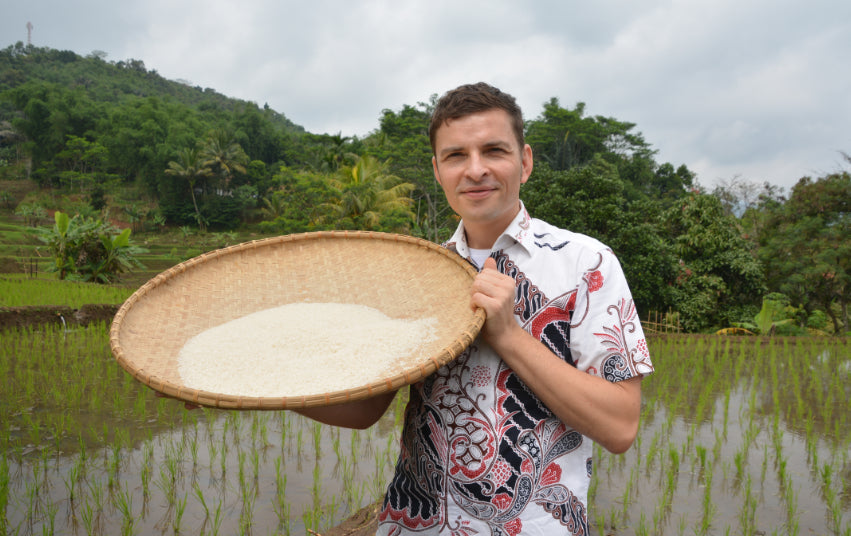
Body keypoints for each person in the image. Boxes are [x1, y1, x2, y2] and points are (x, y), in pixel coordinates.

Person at [300, 82, 653, 535]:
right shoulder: (419, 277)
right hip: (413, 526)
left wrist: (508, 335)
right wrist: (252, 393)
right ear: (437, 170)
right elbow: (366, 409)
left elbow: (620, 426)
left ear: (524, 162)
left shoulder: (586, 264)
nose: (476, 170)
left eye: (494, 151)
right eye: (455, 156)